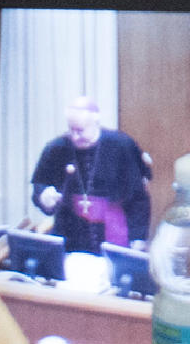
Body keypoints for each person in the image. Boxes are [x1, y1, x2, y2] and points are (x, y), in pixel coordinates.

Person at [30, 96, 157, 253]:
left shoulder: (122, 145)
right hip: (70, 232)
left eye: (80, 131)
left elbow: (138, 197)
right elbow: (39, 185)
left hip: (114, 231)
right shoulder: (56, 148)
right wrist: (43, 196)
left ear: (96, 122)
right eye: (71, 129)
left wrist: (138, 237)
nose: (75, 137)